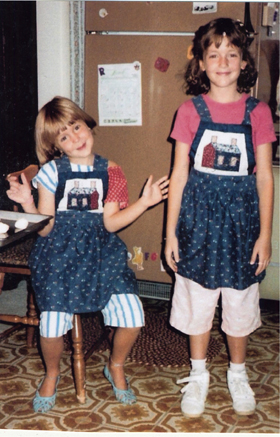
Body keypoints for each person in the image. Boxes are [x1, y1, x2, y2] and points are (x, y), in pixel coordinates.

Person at [7, 96, 169, 413]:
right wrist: (28, 203)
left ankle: (116, 365)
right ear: (56, 146)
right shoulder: (52, 172)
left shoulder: (113, 171)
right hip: (59, 254)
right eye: (64, 136)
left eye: (76, 127)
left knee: (133, 317)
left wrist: (144, 203)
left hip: (101, 252)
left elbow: (110, 223)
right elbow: (45, 228)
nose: (75, 138)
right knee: (51, 324)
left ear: (87, 124)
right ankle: (52, 374)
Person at [165, 17, 275, 418]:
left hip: (242, 223)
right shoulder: (189, 110)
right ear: (201, 64)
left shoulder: (257, 111)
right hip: (197, 219)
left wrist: (265, 235)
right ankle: (198, 374)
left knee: (240, 302)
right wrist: (170, 234)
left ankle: (238, 372)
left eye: (232, 54)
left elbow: (264, 176)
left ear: (245, 62)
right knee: (197, 298)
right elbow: (179, 173)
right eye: (214, 54)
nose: (223, 61)